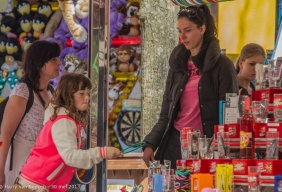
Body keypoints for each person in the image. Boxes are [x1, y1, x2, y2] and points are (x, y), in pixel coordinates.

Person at [142, 4, 238, 169]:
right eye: (179, 31)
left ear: (202, 29)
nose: (182, 36)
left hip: (208, 146)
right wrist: (150, 143)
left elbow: (230, 114)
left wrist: (221, 147)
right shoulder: (177, 65)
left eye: (187, 30)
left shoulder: (223, 65)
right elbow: (166, 114)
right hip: (175, 144)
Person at [13, 73, 122, 192]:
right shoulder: (64, 121)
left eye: (87, 93)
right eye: (81, 93)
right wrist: (102, 152)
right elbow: (70, 156)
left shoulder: (64, 119)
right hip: (35, 187)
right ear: (68, 96)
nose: (87, 97)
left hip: (37, 185)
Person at [0, 40, 62, 192]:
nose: (59, 62)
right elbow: (5, 133)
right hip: (20, 166)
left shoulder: (52, 91)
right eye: (53, 59)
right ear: (38, 63)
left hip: (44, 168)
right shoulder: (22, 91)